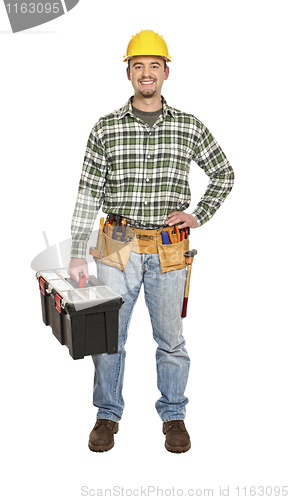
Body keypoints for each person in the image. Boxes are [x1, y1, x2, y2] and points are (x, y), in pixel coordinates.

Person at [68, 30, 234, 453]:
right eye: (138, 66)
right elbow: (88, 191)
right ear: (128, 72)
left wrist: (198, 214)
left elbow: (223, 173)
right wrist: (75, 253)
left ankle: (174, 414)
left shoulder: (188, 126)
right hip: (116, 241)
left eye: (154, 66)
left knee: (171, 338)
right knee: (108, 336)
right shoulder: (105, 128)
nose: (146, 73)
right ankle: (107, 416)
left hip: (169, 244)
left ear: (166, 72)